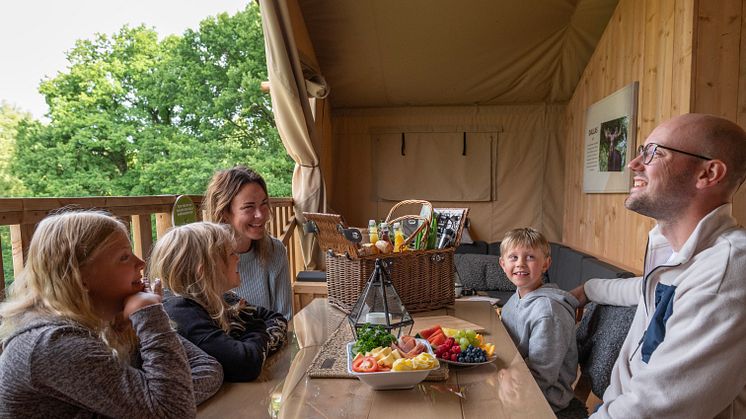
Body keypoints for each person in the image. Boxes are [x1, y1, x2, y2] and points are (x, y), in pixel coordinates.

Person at [571, 113, 746, 418]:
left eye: (654, 152)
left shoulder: (726, 270)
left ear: (708, 173)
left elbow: (654, 409)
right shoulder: (672, 251)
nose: (634, 164)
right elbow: (646, 291)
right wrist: (589, 289)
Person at [0, 210, 223, 418]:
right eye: (124, 257)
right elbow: (174, 411)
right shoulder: (51, 344)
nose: (141, 263)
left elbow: (206, 367)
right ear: (80, 277)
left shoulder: (103, 321)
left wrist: (167, 395)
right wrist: (150, 316)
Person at [150, 221, 288, 382]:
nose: (238, 258)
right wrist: (253, 329)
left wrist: (256, 346)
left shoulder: (222, 298)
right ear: (204, 272)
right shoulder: (181, 313)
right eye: (231, 254)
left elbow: (277, 319)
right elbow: (246, 364)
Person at [498, 227, 579, 412]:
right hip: (513, 381)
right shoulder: (516, 298)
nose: (520, 264)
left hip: (543, 398)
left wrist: (497, 383)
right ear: (503, 264)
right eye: (513, 257)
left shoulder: (548, 313)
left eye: (530, 257)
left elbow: (542, 376)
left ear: (546, 264)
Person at [204, 166, 293, 320]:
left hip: (271, 340)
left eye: (264, 204)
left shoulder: (275, 250)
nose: (260, 215)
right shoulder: (205, 259)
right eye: (249, 207)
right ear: (224, 213)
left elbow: (285, 318)